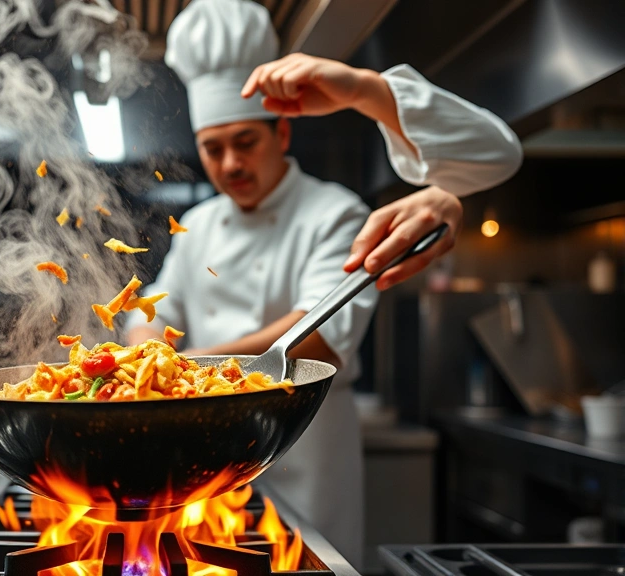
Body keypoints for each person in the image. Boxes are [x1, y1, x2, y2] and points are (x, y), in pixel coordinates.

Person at [125, 0, 522, 567]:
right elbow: (157, 308)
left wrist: (181, 373)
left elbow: (317, 336)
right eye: (214, 148)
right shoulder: (202, 224)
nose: (230, 163)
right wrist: (139, 359)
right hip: (199, 466)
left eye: (246, 142)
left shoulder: (336, 213)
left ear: (282, 131)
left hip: (301, 463)